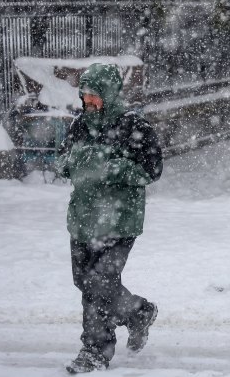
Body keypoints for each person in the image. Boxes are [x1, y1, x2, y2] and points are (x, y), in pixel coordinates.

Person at [56, 63, 163, 374]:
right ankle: (138, 312)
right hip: (83, 218)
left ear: (110, 94)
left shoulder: (135, 126)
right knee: (84, 281)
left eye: (94, 96)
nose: (89, 102)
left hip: (119, 220)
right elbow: (62, 161)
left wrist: (108, 166)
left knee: (99, 283)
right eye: (85, 96)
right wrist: (74, 162)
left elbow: (150, 171)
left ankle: (95, 351)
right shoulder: (79, 125)